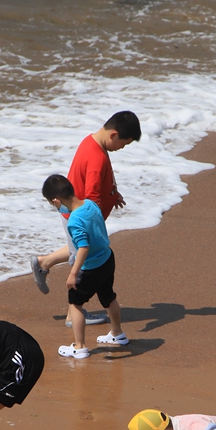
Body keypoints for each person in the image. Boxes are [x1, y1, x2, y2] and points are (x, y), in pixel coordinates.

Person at [30, 110, 141, 326]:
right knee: (81, 259)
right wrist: (95, 225)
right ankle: (74, 314)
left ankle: (44, 262)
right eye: (124, 144)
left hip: (72, 212)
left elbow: (102, 177)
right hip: (78, 217)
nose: (122, 149)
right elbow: (91, 195)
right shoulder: (97, 157)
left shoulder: (92, 141)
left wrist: (113, 194)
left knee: (77, 249)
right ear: (113, 135)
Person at [41, 174, 129, 359]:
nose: (55, 207)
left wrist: (73, 273)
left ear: (57, 200)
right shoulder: (90, 205)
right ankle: (117, 333)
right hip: (107, 258)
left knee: (75, 304)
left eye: (53, 204)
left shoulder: (74, 220)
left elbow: (83, 247)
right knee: (108, 297)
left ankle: (79, 346)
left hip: (90, 268)